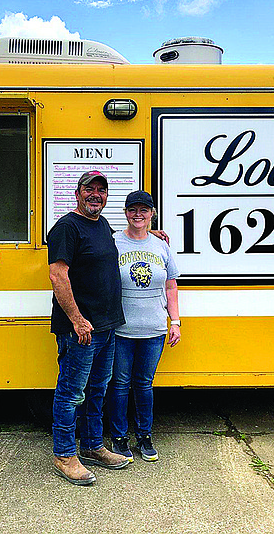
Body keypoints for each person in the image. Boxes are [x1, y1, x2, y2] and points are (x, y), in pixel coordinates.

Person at [47, 170, 131, 485]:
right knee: (71, 393)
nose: (96, 194)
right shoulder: (67, 227)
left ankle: (93, 446)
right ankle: (65, 455)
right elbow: (58, 275)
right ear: (78, 193)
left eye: (101, 190)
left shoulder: (102, 225)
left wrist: (151, 232)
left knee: (98, 390)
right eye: (89, 189)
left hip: (107, 326)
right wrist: (77, 319)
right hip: (81, 330)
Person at [108, 190, 181, 462]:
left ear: (152, 213)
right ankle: (118, 437)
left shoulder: (161, 245)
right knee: (120, 384)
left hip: (154, 329)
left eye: (144, 210)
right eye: (133, 209)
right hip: (120, 329)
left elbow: (171, 285)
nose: (138, 214)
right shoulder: (113, 242)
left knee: (144, 384)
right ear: (126, 212)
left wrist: (175, 321)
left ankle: (145, 435)